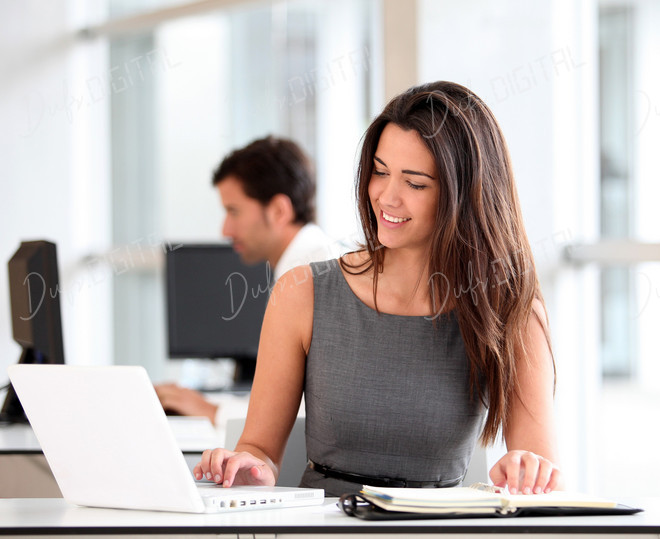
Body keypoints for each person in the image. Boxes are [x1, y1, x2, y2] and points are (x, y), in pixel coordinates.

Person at [194, 81, 562, 497]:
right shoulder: (301, 293)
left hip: (436, 525)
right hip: (325, 524)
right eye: (380, 172)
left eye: (415, 183)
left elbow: (541, 469)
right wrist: (248, 467)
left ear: (466, 194)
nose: (387, 197)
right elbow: (259, 449)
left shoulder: (510, 308)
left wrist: (528, 470)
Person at [155, 136, 339, 426]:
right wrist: (207, 405)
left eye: (234, 211)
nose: (225, 230)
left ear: (278, 211)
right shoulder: (306, 263)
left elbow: (308, 413)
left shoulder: (312, 276)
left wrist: (211, 411)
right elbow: (287, 397)